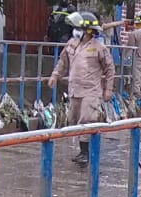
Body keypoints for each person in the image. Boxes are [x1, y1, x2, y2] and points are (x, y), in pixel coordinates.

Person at [48, 11, 116, 166]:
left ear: (88, 30)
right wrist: (54, 76)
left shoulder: (98, 48)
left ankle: (86, 153)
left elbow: (110, 69)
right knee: (74, 119)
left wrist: (108, 89)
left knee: (87, 119)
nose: (76, 31)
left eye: (79, 28)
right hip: (74, 90)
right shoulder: (71, 44)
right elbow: (62, 62)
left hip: (91, 92)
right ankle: (82, 151)